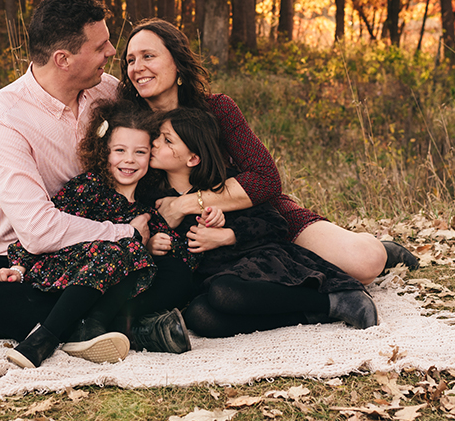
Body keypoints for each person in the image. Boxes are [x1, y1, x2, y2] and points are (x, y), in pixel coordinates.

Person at [0, 0, 189, 356]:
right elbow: (38, 230)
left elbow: (167, 130)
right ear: (63, 59)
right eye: (100, 45)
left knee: (180, 271)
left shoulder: (108, 93)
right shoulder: (2, 118)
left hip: (110, 260)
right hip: (30, 260)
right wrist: (124, 233)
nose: (112, 52)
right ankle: (120, 326)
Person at [120, 18, 419, 285]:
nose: (138, 67)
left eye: (149, 56)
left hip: (256, 216)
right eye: (131, 60)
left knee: (363, 263)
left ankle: (380, 248)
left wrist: (186, 205)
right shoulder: (129, 128)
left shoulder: (218, 108)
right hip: (184, 240)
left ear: (177, 63)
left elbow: (265, 179)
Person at [143, 106, 378, 336]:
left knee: (225, 291)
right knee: (200, 316)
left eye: (168, 141)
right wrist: (152, 244)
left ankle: (335, 300)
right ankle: (313, 313)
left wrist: (227, 235)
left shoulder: (222, 186)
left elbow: (275, 224)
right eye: (157, 137)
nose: (154, 143)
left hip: (258, 267)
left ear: (193, 158)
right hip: (213, 279)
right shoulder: (153, 197)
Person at [0, 100, 195, 368]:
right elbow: (42, 230)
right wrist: (18, 266)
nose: (129, 160)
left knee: (161, 265)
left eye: (140, 152)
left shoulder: (146, 209)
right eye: (120, 150)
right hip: (65, 272)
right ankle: (46, 338)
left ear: (150, 156)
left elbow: (184, 259)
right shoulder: (88, 187)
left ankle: (91, 327)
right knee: (121, 247)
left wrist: (160, 246)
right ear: (105, 151)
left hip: (105, 289)